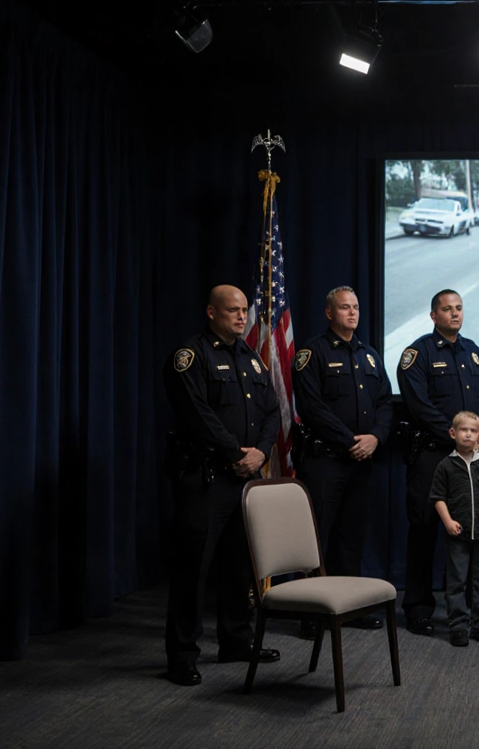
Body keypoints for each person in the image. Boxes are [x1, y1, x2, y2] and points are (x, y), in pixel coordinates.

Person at [162, 285, 281, 687]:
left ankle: (236, 640)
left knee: (240, 566)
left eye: (245, 310)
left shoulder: (252, 359)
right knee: (192, 571)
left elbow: (272, 411)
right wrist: (235, 452)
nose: (242, 317)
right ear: (211, 312)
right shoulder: (191, 357)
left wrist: (261, 452)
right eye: (233, 310)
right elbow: (197, 416)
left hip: (244, 480)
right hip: (206, 478)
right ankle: (181, 655)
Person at [396, 290, 479, 637]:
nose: (455, 314)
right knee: (425, 531)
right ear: (433, 315)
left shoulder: (473, 352)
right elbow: (418, 404)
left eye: (458, 308)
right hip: (431, 456)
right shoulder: (418, 353)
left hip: (471, 460)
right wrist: (455, 436)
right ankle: (419, 610)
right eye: (447, 309)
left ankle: (469, 611)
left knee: (470, 535)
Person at [291, 286, 393, 638]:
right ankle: (312, 614)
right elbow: (311, 407)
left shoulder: (369, 355)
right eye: (345, 308)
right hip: (326, 460)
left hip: (362, 460)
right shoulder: (312, 352)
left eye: (356, 308)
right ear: (329, 313)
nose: (352, 313)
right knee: (316, 537)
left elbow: (385, 403)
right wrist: (351, 441)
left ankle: (348, 608)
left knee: (352, 537)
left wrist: (376, 437)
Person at [430, 411, 479, 648]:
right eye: (464, 430)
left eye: (474, 431)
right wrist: (448, 521)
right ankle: (458, 627)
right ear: (453, 433)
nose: (468, 434)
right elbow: (438, 498)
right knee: (457, 581)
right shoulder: (446, 465)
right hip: (458, 535)